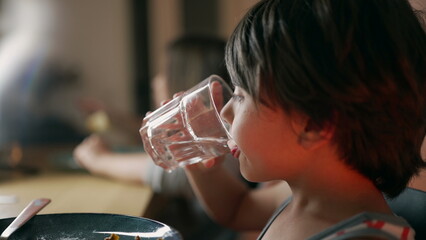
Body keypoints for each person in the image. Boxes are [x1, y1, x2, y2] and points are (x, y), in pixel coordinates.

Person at [176, 0, 426, 239]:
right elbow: (237, 208)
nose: (224, 112)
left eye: (241, 95)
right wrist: (199, 164)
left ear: (314, 124)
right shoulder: (307, 194)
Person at [73, 35, 250, 240]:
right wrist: (112, 115)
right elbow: (155, 138)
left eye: (163, 72)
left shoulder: (225, 137)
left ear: (184, 76)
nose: (155, 80)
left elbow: (174, 174)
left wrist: (99, 160)